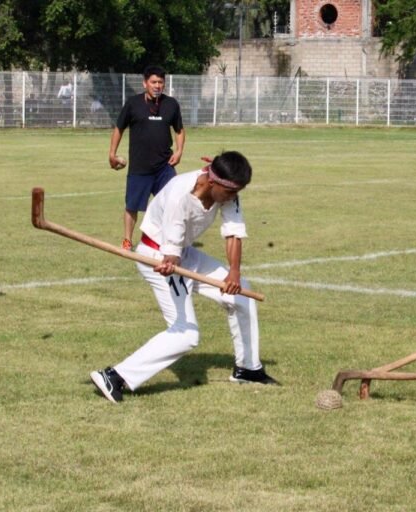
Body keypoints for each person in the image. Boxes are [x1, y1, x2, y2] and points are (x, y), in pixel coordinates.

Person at [90, 151, 278, 404]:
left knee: (242, 293)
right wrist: (170, 261)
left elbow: (233, 233)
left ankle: (248, 369)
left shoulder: (227, 192)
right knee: (186, 334)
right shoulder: (180, 193)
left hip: (184, 254)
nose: (233, 198)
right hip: (158, 257)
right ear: (213, 182)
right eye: (230, 193)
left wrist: (234, 273)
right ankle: (115, 376)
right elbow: (172, 244)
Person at [109, 65, 186, 250]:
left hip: (164, 166)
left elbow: (179, 130)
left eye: (160, 82)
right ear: (145, 83)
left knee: (173, 203)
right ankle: (127, 240)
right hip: (139, 167)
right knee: (132, 206)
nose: (157, 85)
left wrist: (179, 151)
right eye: (153, 82)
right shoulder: (133, 103)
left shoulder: (171, 104)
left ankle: (169, 242)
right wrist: (112, 154)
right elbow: (119, 128)